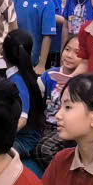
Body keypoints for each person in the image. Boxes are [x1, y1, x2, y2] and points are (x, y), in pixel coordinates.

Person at [32, 34, 81, 166]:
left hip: (64, 128)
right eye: (67, 49)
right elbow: (36, 96)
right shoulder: (49, 74)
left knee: (44, 150)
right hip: (44, 124)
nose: (69, 55)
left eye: (77, 53)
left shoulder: (82, 82)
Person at [2, 30, 47, 159]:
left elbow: (22, 120)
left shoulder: (17, 81)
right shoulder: (22, 75)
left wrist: (0, 138)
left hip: (24, 140)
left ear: (3, 51)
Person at [8, 0, 57, 74]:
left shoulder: (47, 3)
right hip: (9, 52)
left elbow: (47, 36)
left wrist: (41, 64)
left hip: (29, 58)